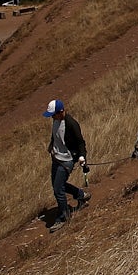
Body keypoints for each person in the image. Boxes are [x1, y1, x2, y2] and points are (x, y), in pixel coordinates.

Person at [43, 98, 89, 231]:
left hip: (67, 160)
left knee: (58, 190)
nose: (52, 117)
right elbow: (55, 134)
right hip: (56, 158)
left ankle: (63, 217)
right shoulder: (55, 120)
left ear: (61, 112)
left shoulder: (71, 124)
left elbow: (81, 142)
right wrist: (51, 144)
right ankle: (81, 195)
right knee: (59, 186)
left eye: (53, 114)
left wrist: (82, 157)